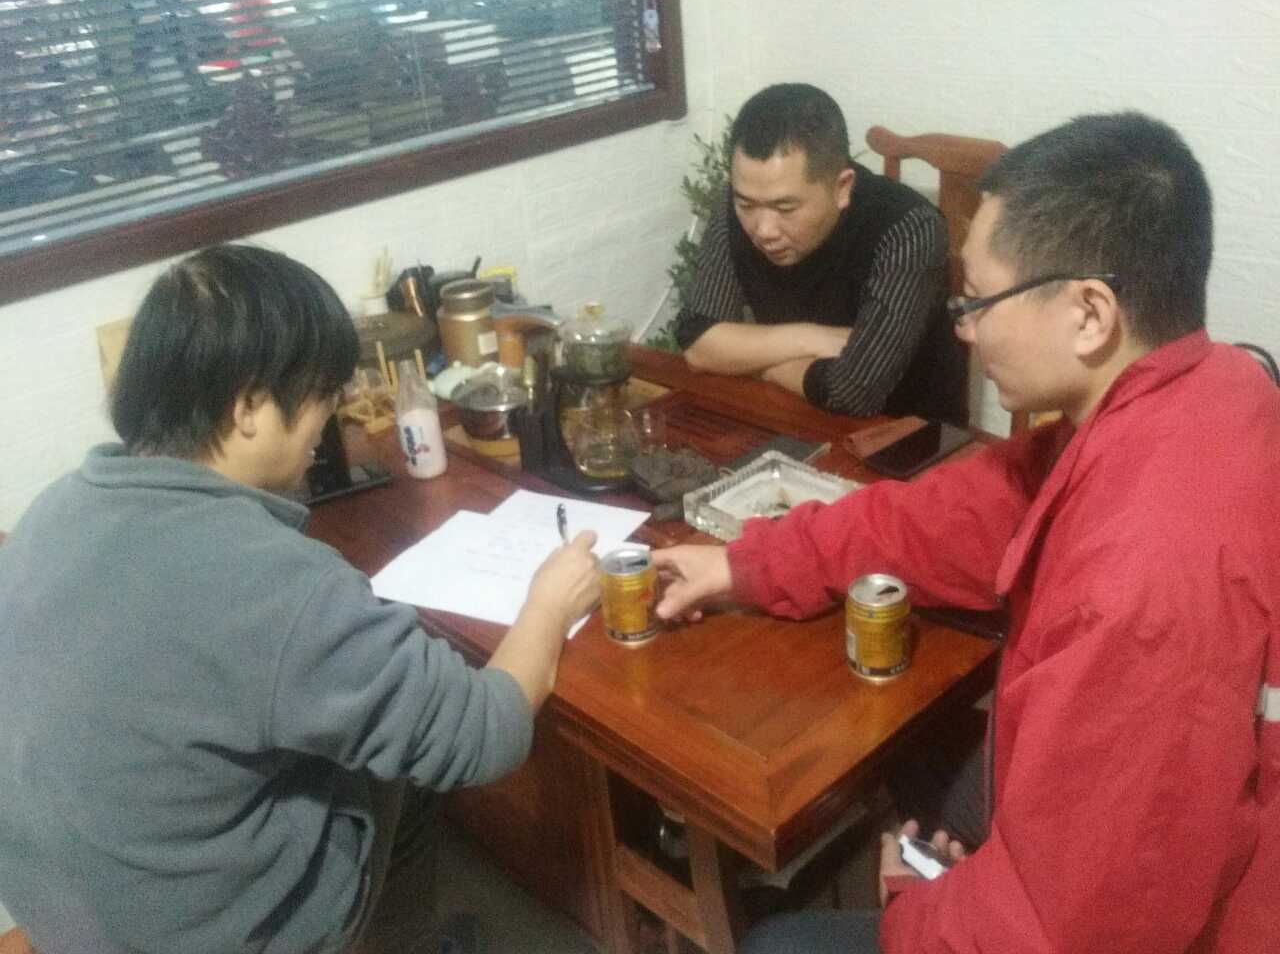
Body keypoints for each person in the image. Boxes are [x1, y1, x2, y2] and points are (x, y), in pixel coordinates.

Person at [652, 112, 1280, 953]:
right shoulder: (1213, 381)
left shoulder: (1146, 581)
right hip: (1140, 840)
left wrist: (913, 905)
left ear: (1089, 314)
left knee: (780, 945)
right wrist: (747, 563)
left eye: (979, 301)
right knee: (924, 759)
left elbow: (1077, 928)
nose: (964, 328)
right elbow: (955, 516)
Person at [0, 244, 600, 954]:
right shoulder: (273, 583)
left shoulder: (54, 510)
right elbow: (482, 735)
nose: (329, 419)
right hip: (211, 936)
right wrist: (550, 602)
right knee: (406, 761)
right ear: (250, 406)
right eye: (323, 394)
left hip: (68, 915)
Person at [673, 83, 967, 424]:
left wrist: (753, 363)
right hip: (794, 414)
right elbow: (698, 342)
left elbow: (854, 391)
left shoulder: (908, 228)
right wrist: (810, 338)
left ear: (842, 187)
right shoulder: (738, 206)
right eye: (747, 204)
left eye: (785, 207)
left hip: (908, 434)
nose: (763, 229)